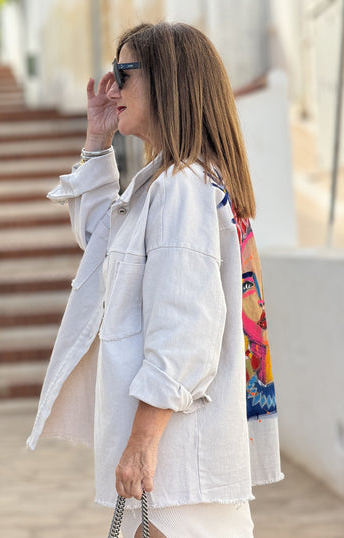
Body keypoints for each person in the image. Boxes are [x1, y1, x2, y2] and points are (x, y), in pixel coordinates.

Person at [27, 21, 283, 537]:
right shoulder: (174, 180)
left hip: (177, 464)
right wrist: (97, 143)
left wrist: (142, 445)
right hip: (184, 464)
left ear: (168, 80)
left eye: (125, 73)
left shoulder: (182, 186)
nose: (112, 87)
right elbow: (104, 244)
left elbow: (186, 329)